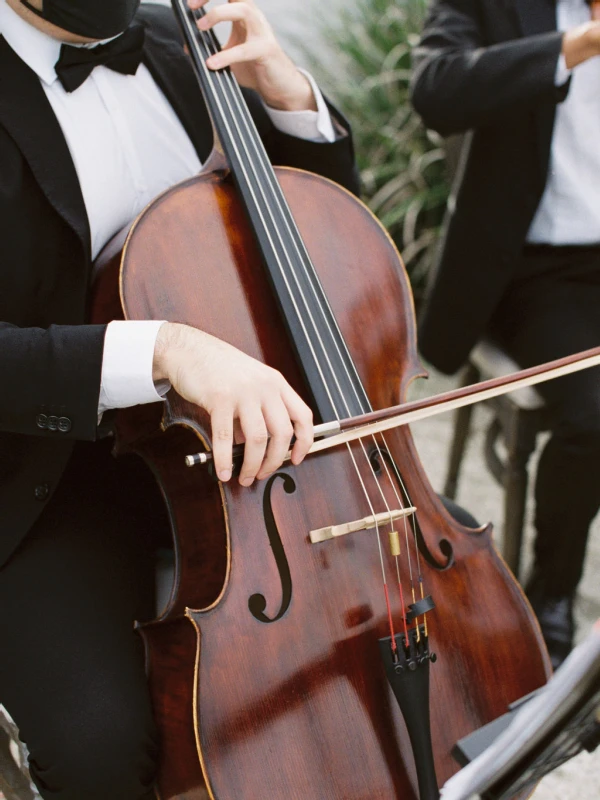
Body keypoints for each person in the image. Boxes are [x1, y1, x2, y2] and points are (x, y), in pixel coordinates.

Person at [0, 0, 359, 797]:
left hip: (253, 449)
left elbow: (323, 238)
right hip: (49, 474)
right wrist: (164, 349)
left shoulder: (178, 42)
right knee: (99, 748)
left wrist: (287, 96)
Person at [410, 0, 600, 670]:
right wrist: (577, 44)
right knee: (593, 417)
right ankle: (552, 594)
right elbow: (435, 91)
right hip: (538, 270)